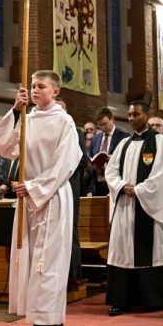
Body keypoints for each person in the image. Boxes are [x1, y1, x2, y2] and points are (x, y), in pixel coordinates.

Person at [0, 70, 82, 326]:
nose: (34, 90)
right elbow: (5, 147)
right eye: (32, 86)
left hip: (52, 197)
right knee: (31, 259)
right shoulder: (28, 121)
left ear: (55, 91)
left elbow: (65, 163)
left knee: (48, 262)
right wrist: (15, 111)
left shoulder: (64, 121)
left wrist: (33, 186)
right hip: (28, 197)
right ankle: (51, 324)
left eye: (40, 86)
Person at [104, 100, 163, 316]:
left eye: (136, 114)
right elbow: (111, 171)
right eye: (129, 115)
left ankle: (155, 298)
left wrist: (141, 190)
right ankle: (121, 299)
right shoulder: (123, 144)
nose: (132, 118)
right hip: (126, 205)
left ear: (147, 114)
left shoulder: (161, 142)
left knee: (150, 249)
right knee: (123, 250)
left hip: (147, 207)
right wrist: (122, 186)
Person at [57, 98, 91, 279]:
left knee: (70, 228)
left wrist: (61, 168)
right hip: (52, 188)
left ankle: (74, 273)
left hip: (70, 185)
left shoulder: (75, 131)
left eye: (61, 108)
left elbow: (83, 160)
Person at [88, 107, 130, 196]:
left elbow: (129, 160)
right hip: (98, 185)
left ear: (112, 119)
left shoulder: (124, 137)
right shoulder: (95, 139)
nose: (103, 127)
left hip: (115, 183)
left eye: (105, 124)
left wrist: (113, 159)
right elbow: (91, 163)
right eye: (100, 125)